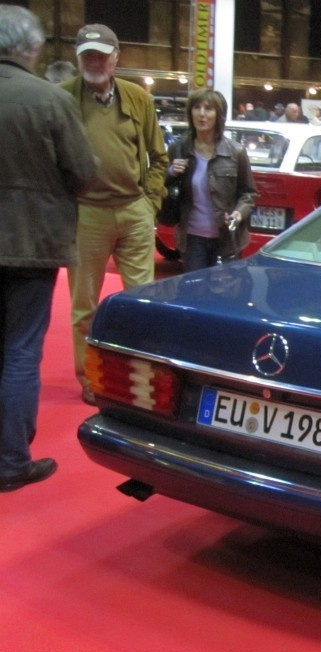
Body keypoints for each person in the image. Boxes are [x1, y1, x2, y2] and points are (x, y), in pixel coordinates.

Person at [0, 5, 97, 491]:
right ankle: (10, 462)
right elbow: (84, 172)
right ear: (33, 48)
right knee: (20, 352)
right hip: (31, 243)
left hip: (26, 241)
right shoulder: (50, 100)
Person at [61, 23, 168, 405]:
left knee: (142, 304)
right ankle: (91, 379)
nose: (95, 61)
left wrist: (150, 204)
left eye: (102, 55)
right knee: (84, 308)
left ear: (116, 57)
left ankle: (139, 380)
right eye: (88, 55)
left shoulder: (138, 98)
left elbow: (159, 157)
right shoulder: (62, 98)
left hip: (134, 211)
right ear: (78, 58)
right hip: (86, 214)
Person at [165, 89, 257, 273]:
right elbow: (161, 185)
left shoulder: (236, 151)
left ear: (218, 115)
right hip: (192, 239)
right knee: (195, 288)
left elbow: (249, 193)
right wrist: (170, 172)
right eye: (197, 108)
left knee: (224, 289)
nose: (202, 114)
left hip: (227, 238)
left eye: (208, 109)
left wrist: (238, 214)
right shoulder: (178, 149)